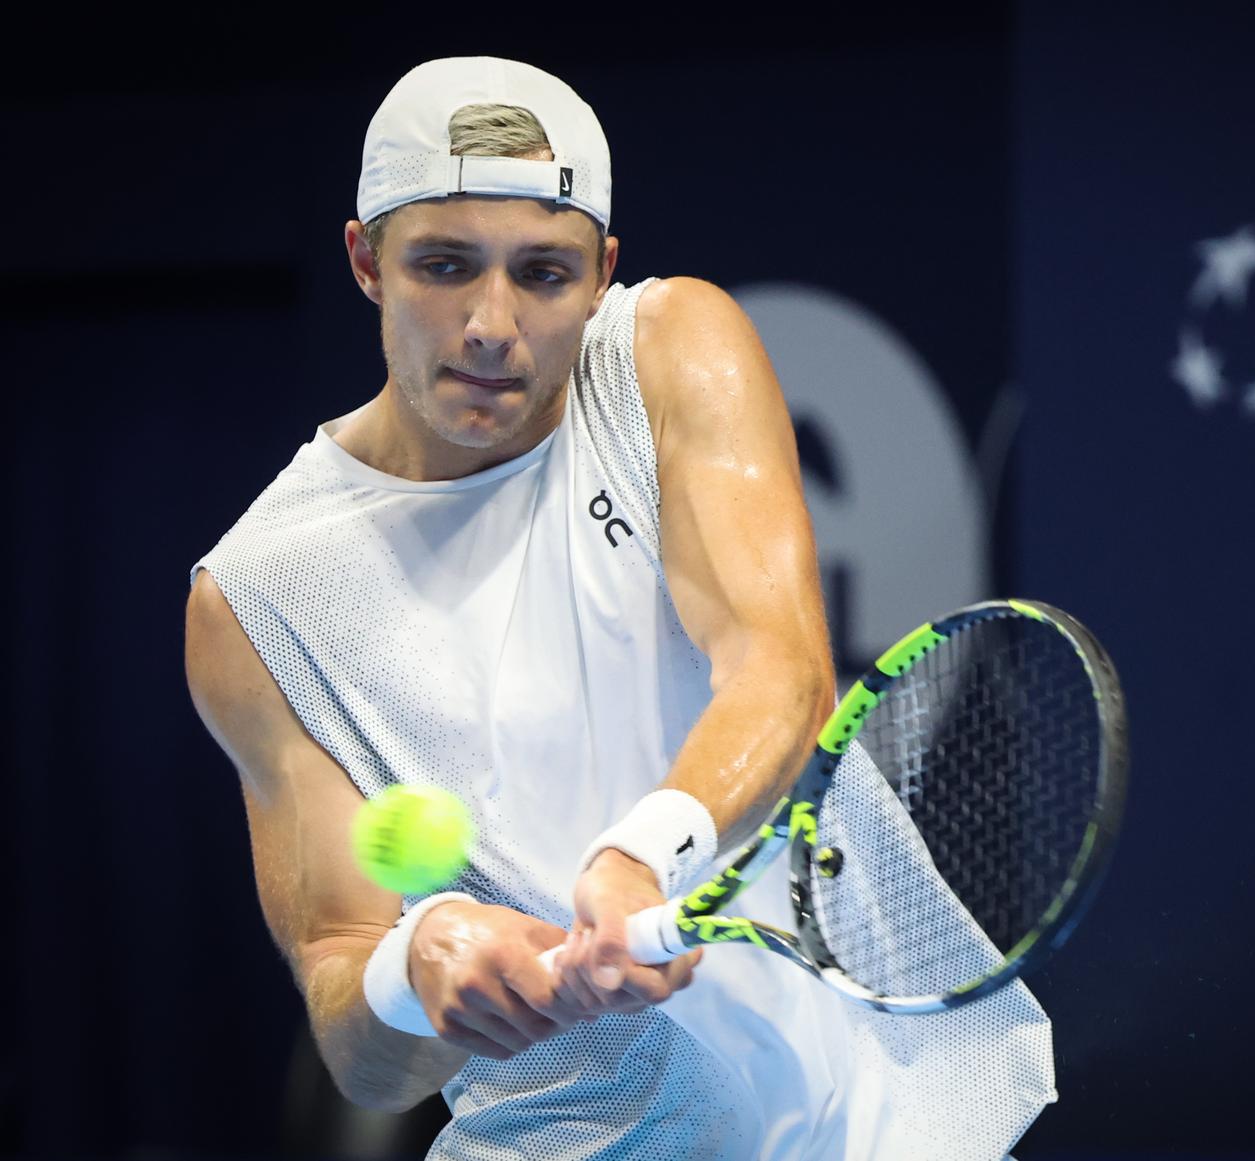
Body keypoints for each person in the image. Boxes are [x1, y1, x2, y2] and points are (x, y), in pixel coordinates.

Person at [183, 56, 1053, 1160]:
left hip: (893, 1111)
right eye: (444, 265)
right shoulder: (257, 599)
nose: (491, 323)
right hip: (581, 1137)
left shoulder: (666, 353)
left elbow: (781, 676)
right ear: (364, 260)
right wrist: (418, 968)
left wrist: (641, 856)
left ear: (602, 275)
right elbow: (359, 1039)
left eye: (542, 275)